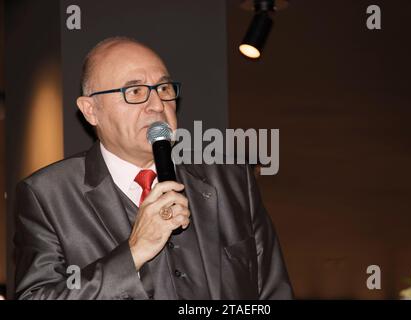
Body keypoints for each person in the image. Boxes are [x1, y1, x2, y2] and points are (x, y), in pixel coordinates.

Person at [13, 37, 294, 300]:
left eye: (164, 88)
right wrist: (134, 252)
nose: (157, 104)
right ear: (91, 110)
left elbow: (273, 292)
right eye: (135, 91)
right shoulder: (47, 196)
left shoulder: (231, 179)